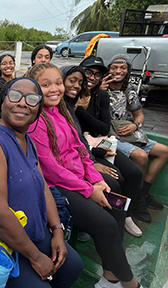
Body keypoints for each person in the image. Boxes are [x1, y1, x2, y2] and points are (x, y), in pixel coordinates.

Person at [27, 63, 144, 288]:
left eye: (58, 83)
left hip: (79, 180)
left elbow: (80, 150)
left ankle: (110, 277)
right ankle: (131, 283)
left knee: (117, 209)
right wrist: (89, 190)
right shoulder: (35, 121)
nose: (55, 89)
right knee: (106, 225)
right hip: (57, 188)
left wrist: (96, 179)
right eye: (45, 84)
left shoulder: (62, 113)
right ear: (34, 88)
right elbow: (51, 169)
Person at [0, 77, 83, 287]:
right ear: (3, 101)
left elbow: (42, 186)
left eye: (32, 99)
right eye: (15, 95)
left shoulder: (26, 139)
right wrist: (35, 257)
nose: (22, 103)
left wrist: (57, 230)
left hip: (27, 231)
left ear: (38, 109)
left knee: (72, 266)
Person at [62, 63, 144, 237]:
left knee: (134, 173)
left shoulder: (100, 95)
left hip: (98, 143)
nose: (92, 77)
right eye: (89, 72)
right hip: (86, 149)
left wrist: (81, 111)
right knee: (115, 179)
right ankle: (98, 222)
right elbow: (72, 138)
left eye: (98, 75)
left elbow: (104, 128)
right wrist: (92, 160)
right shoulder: (65, 100)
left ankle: (126, 215)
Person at [104, 54, 168, 216]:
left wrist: (134, 125)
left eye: (123, 68)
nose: (118, 71)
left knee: (164, 151)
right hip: (111, 136)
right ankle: (135, 200)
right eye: (114, 68)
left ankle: (143, 194)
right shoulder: (101, 88)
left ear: (128, 71)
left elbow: (139, 115)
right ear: (108, 70)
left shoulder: (129, 90)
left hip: (128, 133)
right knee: (140, 156)